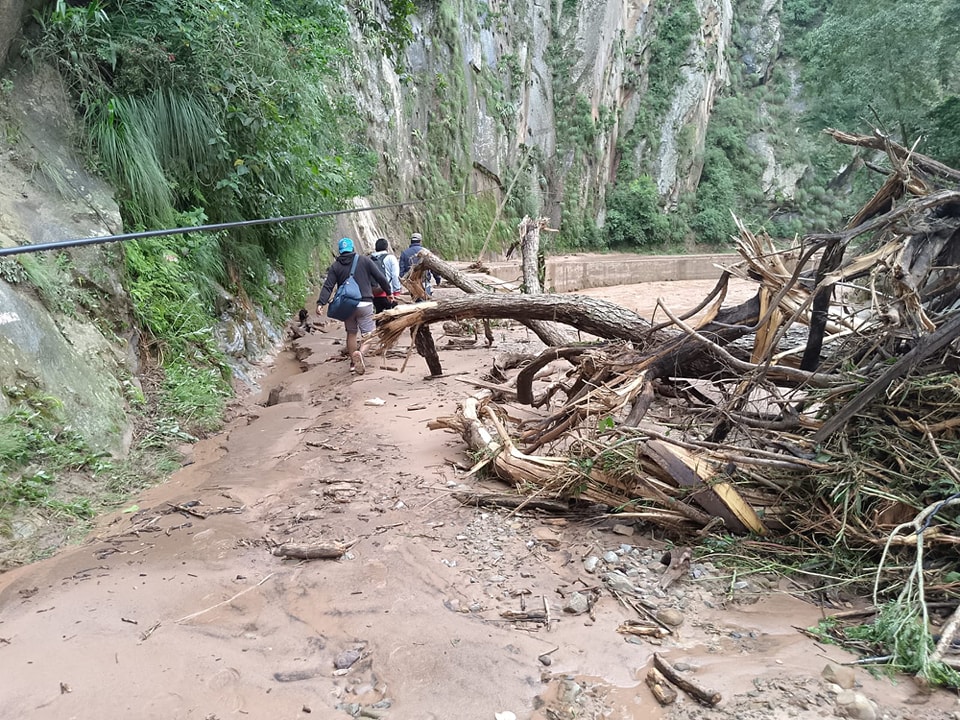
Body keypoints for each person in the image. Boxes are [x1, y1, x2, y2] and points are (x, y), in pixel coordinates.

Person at [316, 237, 391, 375]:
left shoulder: (335, 266)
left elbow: (328, 286)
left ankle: (352, 363)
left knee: (351, 333)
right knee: (368, 335)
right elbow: (380, 277)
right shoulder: (364, 260)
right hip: (365, 303)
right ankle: (360, 354)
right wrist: (389, 292)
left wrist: (321, 303)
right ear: (352, 248)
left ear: (340, 251)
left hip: (348, 305)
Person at [399, 232, 441, 299]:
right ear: (420, 241)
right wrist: (438, 279)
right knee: (426, 300)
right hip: (425, 281)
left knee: (416, 301)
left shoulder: (404, 253)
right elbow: (433, 268)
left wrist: (405, 284)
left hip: (411, 282)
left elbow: (401, 272)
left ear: (411, 241)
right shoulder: (426, 252)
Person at [369, 237, 402, 313]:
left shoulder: (370, 259)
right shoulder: (390, 258)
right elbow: (395, 275)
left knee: (378, 315)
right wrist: (397, 291)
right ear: (387, 247)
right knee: (392, 316)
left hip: (374, 293)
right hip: (388, 294)